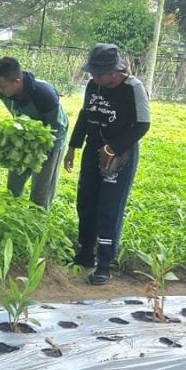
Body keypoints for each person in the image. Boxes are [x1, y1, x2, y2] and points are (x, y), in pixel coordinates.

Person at [64, 43, 151, 285]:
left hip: (119, 155)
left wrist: (113, 148)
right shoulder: (94, 85)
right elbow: (85, 114)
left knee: (109, 209)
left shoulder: (133, 88)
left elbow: (143, 125)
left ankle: (104, 264)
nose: (94, 78)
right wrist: (73, 146)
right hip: (93, 150)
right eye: (93, 73)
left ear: (114, 71)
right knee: (86, 202)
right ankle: (85, 255)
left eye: (99, 74)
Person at [0, 56, 69, 208]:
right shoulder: (3, 86)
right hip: (23, 136)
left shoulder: (44, 94)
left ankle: (37, 221)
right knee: (13, 185)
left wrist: (42, 149)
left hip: (50, 140)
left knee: (40, 192)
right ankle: (10, 213)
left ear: (16, 82)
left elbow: (58, 127)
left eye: (1, 87)